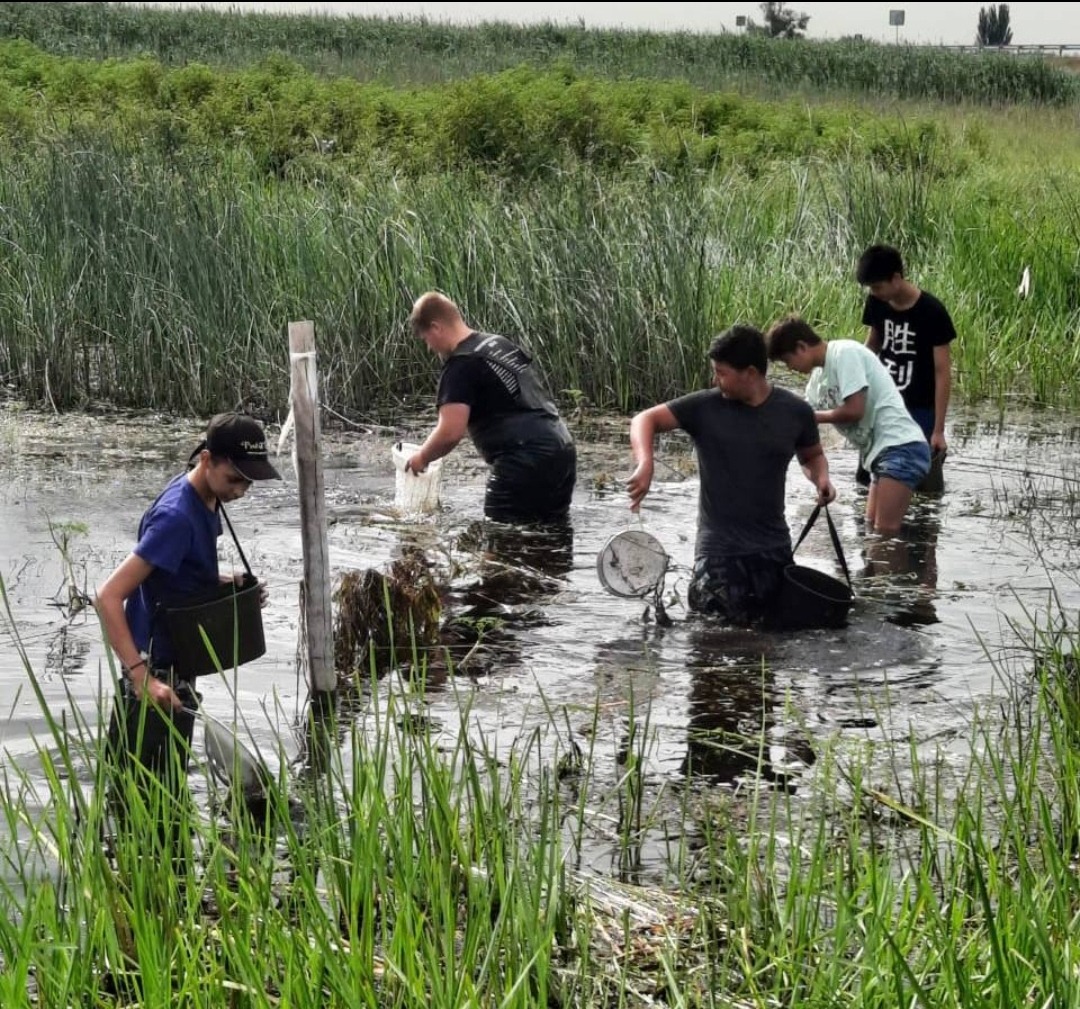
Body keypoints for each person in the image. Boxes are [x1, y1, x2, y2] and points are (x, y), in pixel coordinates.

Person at [94, 412, 281, 845]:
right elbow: (107, 596)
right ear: (208, 460)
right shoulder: (176, 516)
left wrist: (229, 585)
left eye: (249, 482)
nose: (242, 490)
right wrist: (142, 678)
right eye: (236, 478)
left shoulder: (207, 500)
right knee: (145, 802)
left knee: (161, 790)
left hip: (177, 664)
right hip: (156, 671)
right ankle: (143, 890)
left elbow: (172, 573)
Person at [627, 324, 835, 625]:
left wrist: (821, 479)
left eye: (722, 372)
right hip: (718, 555)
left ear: (750, 373)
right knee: (710, 646)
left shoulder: (796, 412)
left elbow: (812, 455)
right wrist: (646, 463)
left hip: (773, 550)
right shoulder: (704, 407)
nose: (716, 380)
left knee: (769, 649)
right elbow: (644, 420)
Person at [405, 292, 576, 524]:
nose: (429, 347)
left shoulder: (461, 366)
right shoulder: (499, 344)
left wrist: (422, 457)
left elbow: (450, 432)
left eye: (426, 339)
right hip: (562, 449)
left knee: (499, 540)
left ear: (436, 327)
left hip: (522, 460)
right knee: (553, 535)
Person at [766, 315, 930, 536]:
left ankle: (905, 568)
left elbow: (855, 410)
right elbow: (804, 430)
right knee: (872, 529)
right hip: (877, 455)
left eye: (787, 361)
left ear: (801, 347)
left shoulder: (845, 353)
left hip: (900, 446)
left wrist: (811, 417)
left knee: (885, 534)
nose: (790, 368)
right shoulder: (814, 385)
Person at [856, 244, 957, 485]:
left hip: (919, 407)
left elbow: (942, 372)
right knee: (867, 478)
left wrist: (939, 430)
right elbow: (873, 343)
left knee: (916, 480)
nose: (875, 292)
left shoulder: (932, 312)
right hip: (882, 402)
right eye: (871, 288)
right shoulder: (876, 303)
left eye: (878, 286)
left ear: (896, 278)